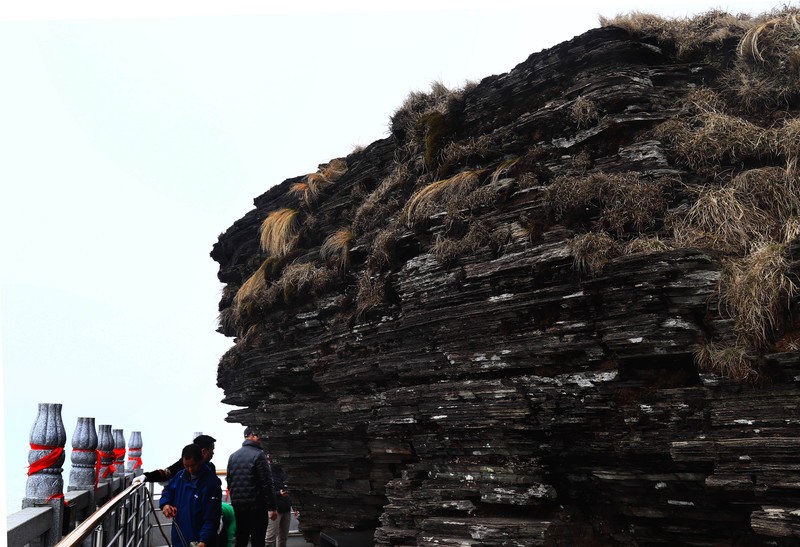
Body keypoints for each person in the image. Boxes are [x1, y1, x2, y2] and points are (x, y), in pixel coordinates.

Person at [159, 443, 223, 547]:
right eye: (186, 466)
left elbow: (212, 517)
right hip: (179, 537)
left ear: (201, 460)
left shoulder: (211, 483)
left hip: (200, 540)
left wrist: (204, 540)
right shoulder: (180, 477)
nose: (190, 469)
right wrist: (165, 504)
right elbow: (168, 491)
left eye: (193, 465)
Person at [226, 427, 278, 547]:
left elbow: (229, 480)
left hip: (239, 507)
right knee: (258, 540)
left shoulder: (233, 456)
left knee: (241, 539)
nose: (261, 439)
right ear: (252, 436)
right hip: (257, 507)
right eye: (259, 435)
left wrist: (235, 501)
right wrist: (272, 507)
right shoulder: (259, 455)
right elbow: (267, 483)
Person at [143, 434, 217, 482]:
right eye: (211, 450)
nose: (190, 469)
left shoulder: (210, 467)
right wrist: (146, 476)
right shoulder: (182, 466)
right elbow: (165, 473)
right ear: (203, 451)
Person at [265, 458, 297, 547]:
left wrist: (294, 506)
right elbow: (265, 492)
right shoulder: (267, 471)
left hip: (285, 507)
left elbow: (290, 489)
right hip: (273, 508)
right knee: (271, 538)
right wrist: (279, 493)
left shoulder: (284, 471)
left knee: (283, 538)